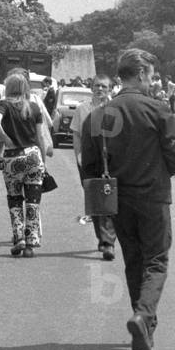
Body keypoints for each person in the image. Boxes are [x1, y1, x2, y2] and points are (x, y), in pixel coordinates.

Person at [80, 49, 175, 350]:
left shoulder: (99, 114)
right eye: (150, 75)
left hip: (118, 199)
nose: (152, 82)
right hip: (153, 196)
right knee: (156, 260)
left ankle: (144, 323)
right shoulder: (158, 110)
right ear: (140, 74)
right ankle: (143, 316)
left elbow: (89, 165)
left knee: (134, 261)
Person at [0, 72, 49, 257]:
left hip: (12, 158)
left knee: (15, 199)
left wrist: (5, 138)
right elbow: (40, 137)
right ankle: (31, 243)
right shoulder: (33, 107)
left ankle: (19, 238)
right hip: (33, 156)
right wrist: (43, 161)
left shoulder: (4, 105)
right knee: (33, 201)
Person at [71, 76, 118, 260]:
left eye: (104, 86)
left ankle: (108, 241)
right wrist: (78, 156)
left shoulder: (116, 109)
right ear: (91, 88)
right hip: (89, 159)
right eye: (97, 86)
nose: (100, 89)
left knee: (109, 196)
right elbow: (76, 134)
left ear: (110, 89)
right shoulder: (82, 109)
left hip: (112, 160)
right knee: (94, 197)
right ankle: (103, 238)